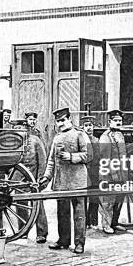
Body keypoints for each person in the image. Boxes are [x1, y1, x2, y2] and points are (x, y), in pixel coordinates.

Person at [39, 107, 90, 254]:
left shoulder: (80, 134)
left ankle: (79, 243)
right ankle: (63, 240)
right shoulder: (57, 138)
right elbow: (51, 161)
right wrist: (46, 178)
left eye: (63, 120)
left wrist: (72, 157)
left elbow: (90, 155)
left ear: (70, 120)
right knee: (62, 213)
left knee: (79, 214)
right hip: (61, 183)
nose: (60, 123)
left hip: (78, 182)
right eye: (58, 121)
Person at [12, 118, 49, 244]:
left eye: (21, 129)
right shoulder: (12, 144)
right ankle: (23, 231)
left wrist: (41, 180)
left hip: (33, 180)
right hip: (18, 182)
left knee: (38, 206)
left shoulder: (35, 141)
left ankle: (42, 233)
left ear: (26, 129)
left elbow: (43, 161)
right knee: (20, 206)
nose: (18, 132)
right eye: (16, 130)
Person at [98, 109, 128, 234]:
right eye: (116, 120)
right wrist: (114, 174)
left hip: (121, 173)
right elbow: (105, 159)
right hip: (109, 174)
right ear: (109, 122)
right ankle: (106, 224)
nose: (118, 122)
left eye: (120, 120)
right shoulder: (106, 137)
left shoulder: (120, 135)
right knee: (108, 200)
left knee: (119, 199)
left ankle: (114, 223)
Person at [80, 115, 100, 229]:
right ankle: (84, 222)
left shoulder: (97, 140)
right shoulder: (81, 140)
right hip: (84, 171)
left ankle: (94, 221)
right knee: (83, 197)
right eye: (86, 126)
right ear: (83, 128)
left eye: (90, 125)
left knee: (95, 197)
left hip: (95, 171)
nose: (89, 128)